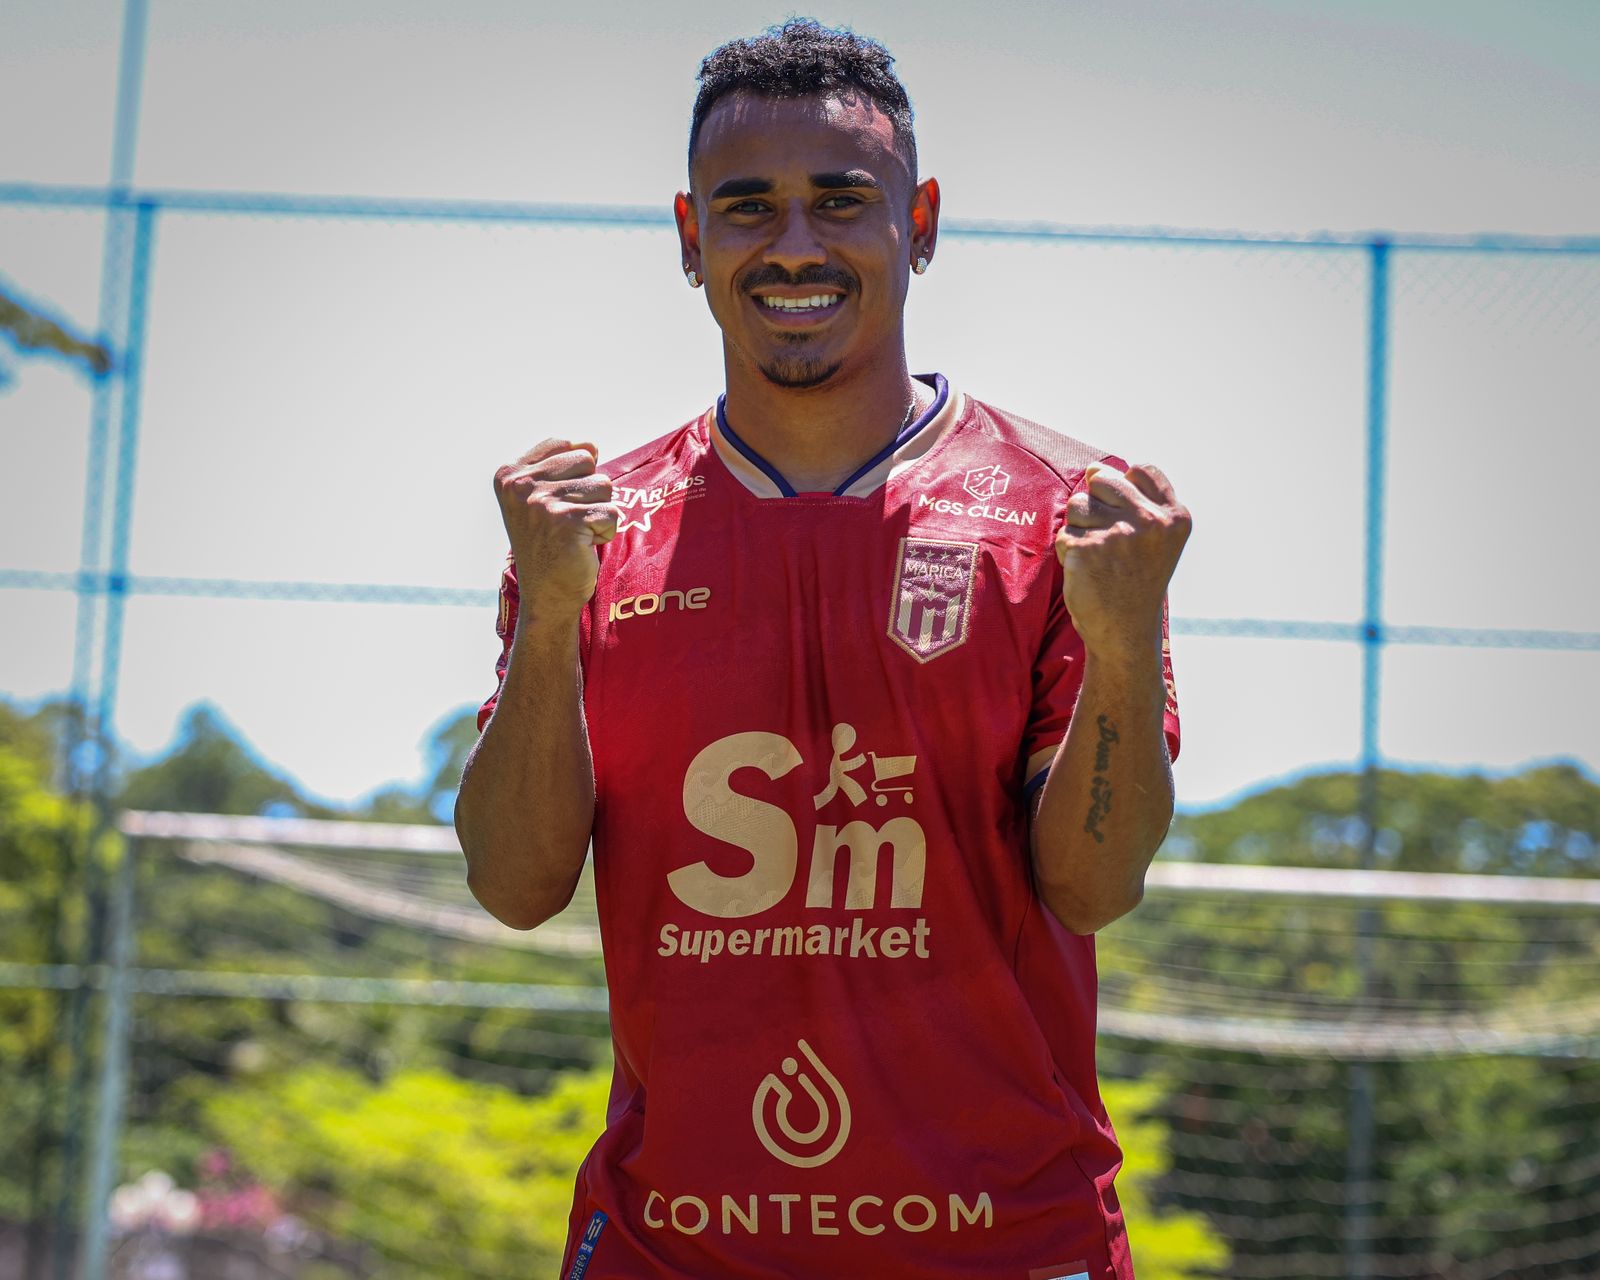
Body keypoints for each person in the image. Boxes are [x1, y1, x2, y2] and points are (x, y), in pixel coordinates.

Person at [455, 19, 1190, 1278]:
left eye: (840, 201)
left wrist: (1124, 645)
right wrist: (554, 618)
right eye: (749, 208)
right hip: (672, 1245)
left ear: (922, 221)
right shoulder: (591, 530)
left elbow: (1093, 886)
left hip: (1003, 1244)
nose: (794, 244)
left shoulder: (1064, 514)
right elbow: (514, 885)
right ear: (692, 239)